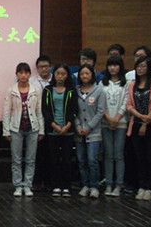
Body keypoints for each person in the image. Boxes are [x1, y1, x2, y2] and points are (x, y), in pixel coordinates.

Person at [3, 62, 44, 198]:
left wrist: (41, 129)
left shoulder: (35, 90)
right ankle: (18, 185)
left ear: (29, 74)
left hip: (33, 128)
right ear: (17, 74)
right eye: (20, 73)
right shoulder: (11, 90)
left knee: (31, 159)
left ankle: (27, 185)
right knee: (16, 159)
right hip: (16, 128)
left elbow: (39, 111)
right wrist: (6, 130)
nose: (23, 75)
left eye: (26, 73)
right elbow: (6, 112)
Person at [127, 55, 151, 201]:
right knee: (139, 157)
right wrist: (140, 117)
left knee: (150, 157)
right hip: (135, 123)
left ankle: (150, 187)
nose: (140, 69)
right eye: (138, 66)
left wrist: (146, 121)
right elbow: (129, 105)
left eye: (143, 66)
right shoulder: (132, 84)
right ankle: (141, 185)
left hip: (150, 124)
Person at [41, 63, 77, 197]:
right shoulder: (48, 90)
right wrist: (54, 125)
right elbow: (45, 110)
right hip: (52, 130)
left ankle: (66, 186)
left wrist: (67, 126)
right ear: (54, 74)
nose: (60, 76)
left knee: (67, 159)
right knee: (54, 159)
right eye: (58, 73)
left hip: (68, 130)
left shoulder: (71, 90)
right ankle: (55, 185)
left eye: (63, 74)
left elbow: (75, 110)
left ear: (67, 75)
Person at [75, 64, 106, 198]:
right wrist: (78, 127)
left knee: (92, 160)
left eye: (87, 73)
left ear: (92, 75)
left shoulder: (99, 91)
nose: (84, 76)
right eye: (82, 74)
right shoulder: (76, 90)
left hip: (93, 132)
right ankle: (85, 185)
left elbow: (100, 112)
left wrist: (88, 128)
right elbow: (73, 111)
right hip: (79, 132)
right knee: (81, 160)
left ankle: (94, 186)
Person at [100, 56, 129, 197]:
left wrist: (117, 118)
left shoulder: (126, 83)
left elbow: (126, 102)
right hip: (105, 123)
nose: (112, 68)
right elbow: (100, 103)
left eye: (115, 65)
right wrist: (108, 118)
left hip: (121, 123)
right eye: (110, 65)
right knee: (108, 154)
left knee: (118, 154)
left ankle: (119, 184)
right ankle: (108, 183)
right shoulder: (102, 83)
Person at [29, 55, 52, 192]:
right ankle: (36, 181)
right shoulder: (31, 82)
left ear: (50, 66)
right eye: (40, 67)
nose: (43, 69)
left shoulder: (56, 80)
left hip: (53, 121)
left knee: (51, 153)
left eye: (46, 66)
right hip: (36, 120)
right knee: (37, 154)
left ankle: (49, 181)